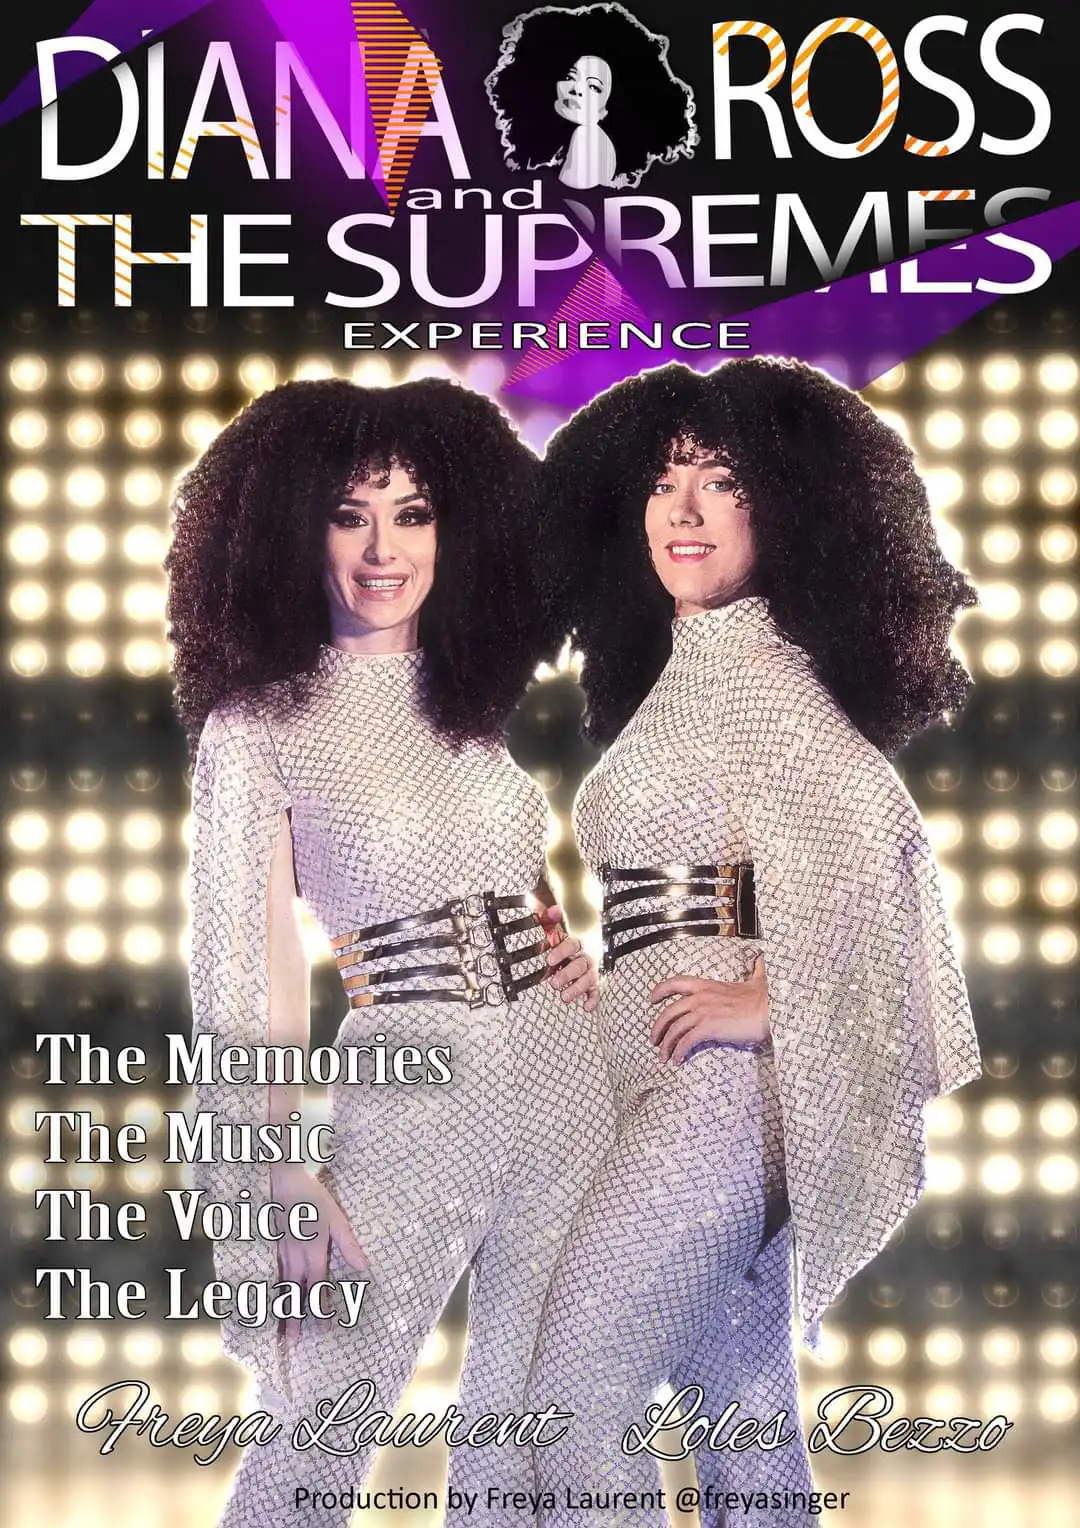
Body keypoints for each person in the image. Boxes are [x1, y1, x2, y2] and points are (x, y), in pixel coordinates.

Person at [526, 358, 983, 1525]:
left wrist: (771, 998)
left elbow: (878, 832)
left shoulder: (767, 677)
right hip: (663, 1075)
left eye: (721, 482)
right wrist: (593, 955)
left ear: (783, 508)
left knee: (575, 1393)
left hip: (723, 1098)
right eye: (665, 478)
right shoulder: (692, 671)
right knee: (740, 1408)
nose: (681, 509)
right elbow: (695, 891)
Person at [165, 375, 613, 1526]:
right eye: (349, 511)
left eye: (413, 512)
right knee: (324, 1422)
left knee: (548, 1430)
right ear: (287, 527)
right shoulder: (258, 727)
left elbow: (504, 882)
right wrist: (277, 1165)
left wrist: (575, 958)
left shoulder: (468, 702)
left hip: (569, 1073)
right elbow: (245, 968)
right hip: (418, 1083)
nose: (383, 547)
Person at [486, 2, 697, 191]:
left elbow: (561, 203)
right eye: (570, 76)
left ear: (610, 106)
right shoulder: (575, 141)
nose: (576, 89)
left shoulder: (587, 139)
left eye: (594, 87)